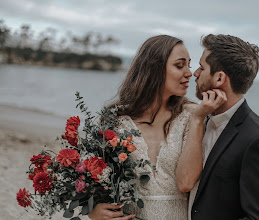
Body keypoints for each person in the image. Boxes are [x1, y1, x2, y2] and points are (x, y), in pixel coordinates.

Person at [86, 35, 226, 220]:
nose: (189, 73)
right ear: (154, 68)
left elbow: (187, 182)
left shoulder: (193, 116)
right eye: (179, 65)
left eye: (189, 65)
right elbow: (96, 182)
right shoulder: (116, 121)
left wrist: (198, 119)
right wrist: (93, 212)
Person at [189, 34, 259, 220]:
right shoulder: (200, 119)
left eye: (202, 67)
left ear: (219, 78)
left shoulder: (257, 140)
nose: (195, 73)